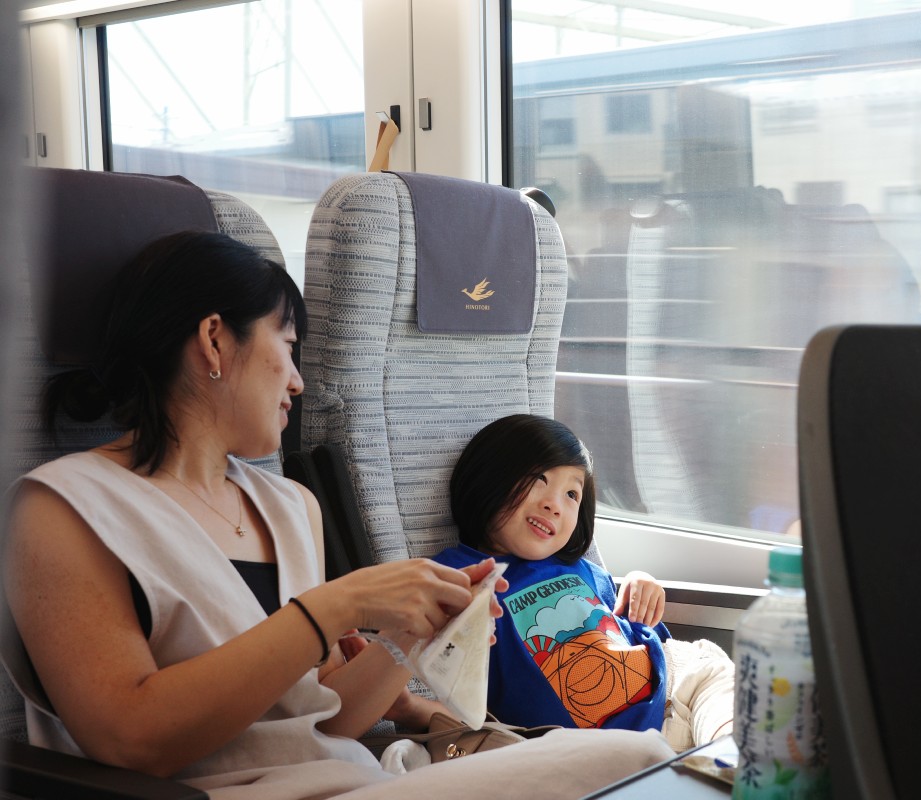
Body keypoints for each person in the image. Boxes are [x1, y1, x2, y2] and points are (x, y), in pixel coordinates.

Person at [0, 231, 673, 800]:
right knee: (633, 763)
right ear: (213, 341)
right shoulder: (62, 507)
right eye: (287, 345)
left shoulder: (290, 505)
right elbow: (130, 739)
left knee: (643, 762)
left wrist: (407, 640)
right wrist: (335, 607)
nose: (297, 379)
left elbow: (324, 723)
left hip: (352, 776)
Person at [433, 414, 734, 753]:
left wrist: (638, 585)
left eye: (572, 494)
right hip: (603, 745)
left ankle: (734, 759)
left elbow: (625, 630)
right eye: (538, 480)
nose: (554, 504)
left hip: (676, 683)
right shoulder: (457, 573)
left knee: (719, 677)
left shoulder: (579, 568)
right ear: (487, 479)